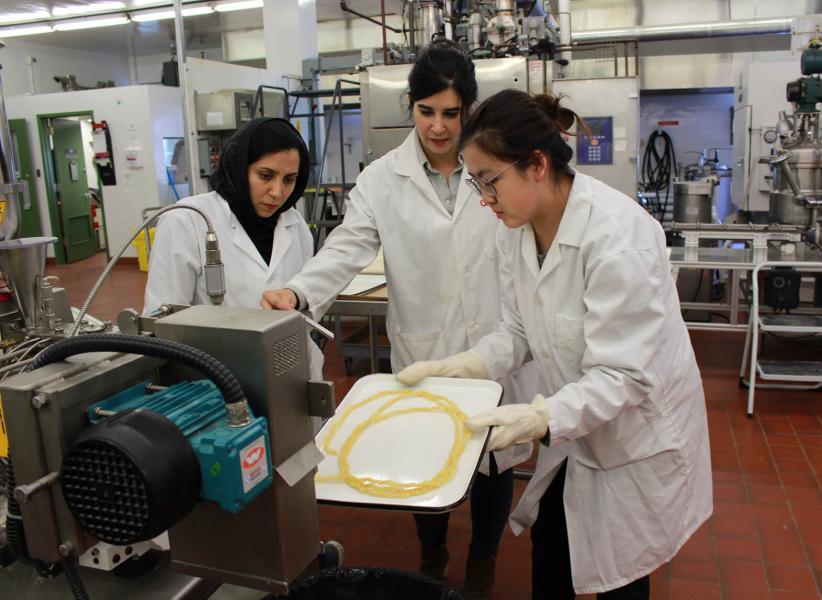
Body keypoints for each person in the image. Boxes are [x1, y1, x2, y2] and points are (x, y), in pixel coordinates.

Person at [397, 90, 713, 599]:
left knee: (622, 579)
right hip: (574, 426)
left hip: (634, 436)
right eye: (477, 183)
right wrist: (467, 364)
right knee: (552, 550)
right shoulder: (515, 229)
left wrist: (541, 418)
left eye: (490, 181)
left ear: (537, 164)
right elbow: (519, 330)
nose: (484, 198)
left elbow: (624, 376)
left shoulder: (618, 238)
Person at [260, 41, 541, 599]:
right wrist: (298, 292)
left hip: (495, 337)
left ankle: (482, 560)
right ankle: (433, 553)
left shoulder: (493, 166)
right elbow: (348, 245)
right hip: (426, 343)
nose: (439, 127)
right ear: (410, 108)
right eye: (426, 111)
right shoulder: (384, 178)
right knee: (424, 450)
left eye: (451, 113)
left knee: (495, 457)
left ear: (469, 110)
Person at [143, 116, 324, 381]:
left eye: (289, 179)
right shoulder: (187, 220)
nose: (277, 192)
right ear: (240, 167)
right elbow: (163, 320)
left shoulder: (293, 223)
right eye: (266, 175)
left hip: (292, 371)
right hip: (216, 378)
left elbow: (305, 295)